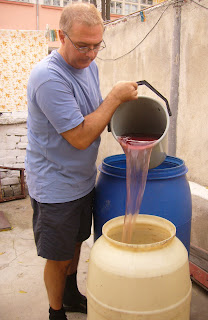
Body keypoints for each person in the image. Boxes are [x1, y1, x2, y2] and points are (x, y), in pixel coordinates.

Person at [25, 3, 138, 320]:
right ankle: (55, 311)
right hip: (55, 186)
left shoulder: (89, 66)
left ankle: (72, 294)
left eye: (96, 45)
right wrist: (115, 98)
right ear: (61, 36)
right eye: (82, 45)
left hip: (83, 178)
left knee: (76, 243)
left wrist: (121, 125)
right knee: (58, 257)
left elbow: (93, 112)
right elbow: (79, 136)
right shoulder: (48, 78)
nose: (90, 54)